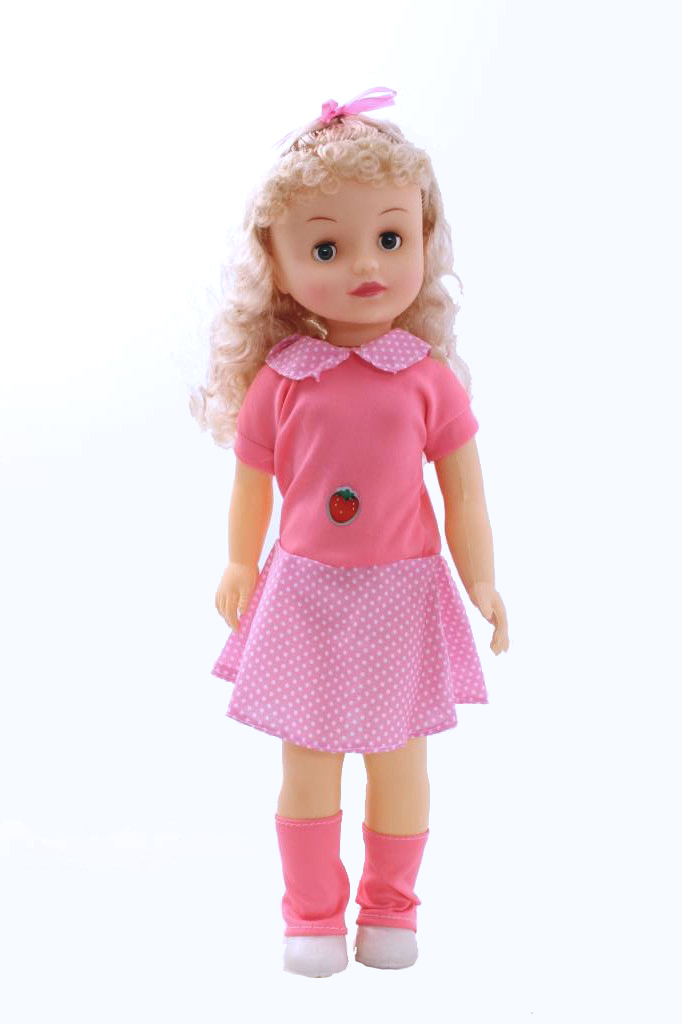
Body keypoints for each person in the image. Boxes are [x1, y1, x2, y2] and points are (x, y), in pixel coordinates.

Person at [190, 87, 509, 978]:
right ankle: (312, 920)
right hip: (305, 594)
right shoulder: (284, 380)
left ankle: (392, 912)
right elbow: (251, 481)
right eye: (327, 247)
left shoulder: (426, 379)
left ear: (424, 238)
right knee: (309, 763)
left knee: (400, 762)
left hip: (403, 590)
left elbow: (465, 495)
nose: (366, 265)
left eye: (391, 238)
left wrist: (481, 579)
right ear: (277, 261)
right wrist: (238, 561)